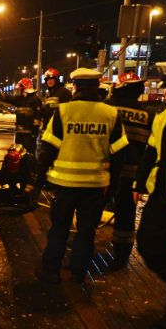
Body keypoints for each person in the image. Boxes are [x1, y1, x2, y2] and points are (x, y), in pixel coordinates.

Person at [31, 68, 128, 284]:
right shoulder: (111, 114)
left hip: (64, 184)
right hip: (95, 185)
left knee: (59, 227)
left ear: (75, 86)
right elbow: (119, 154)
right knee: (86, 231)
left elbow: (47, 149)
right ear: (97, 86)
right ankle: (78, 272)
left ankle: (50, 270)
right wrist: (113, 186)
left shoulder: (64, 112)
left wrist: (38, 181)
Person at [135, 59, 166, 329]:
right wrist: (139, 183)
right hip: (162, 195)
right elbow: (151, 152)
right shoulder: (164, 115)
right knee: (148, 246)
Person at [105, 72, 155, 271]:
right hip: (131, 174)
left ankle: (83, 246)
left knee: (92, 210)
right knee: (126, 215)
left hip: (105, 170)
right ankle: (121, 256)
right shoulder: (148, 114)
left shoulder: (107, 107)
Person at [0, 78, 42, 154]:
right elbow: (6, 98)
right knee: (18, 155)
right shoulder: (20, 99)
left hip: (29, 136)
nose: (19, 91)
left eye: (21, 89)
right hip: (19, 134)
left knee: (28, 155)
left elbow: (37, 118)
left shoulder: (34, 100)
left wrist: (34, 133)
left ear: (26, 88)